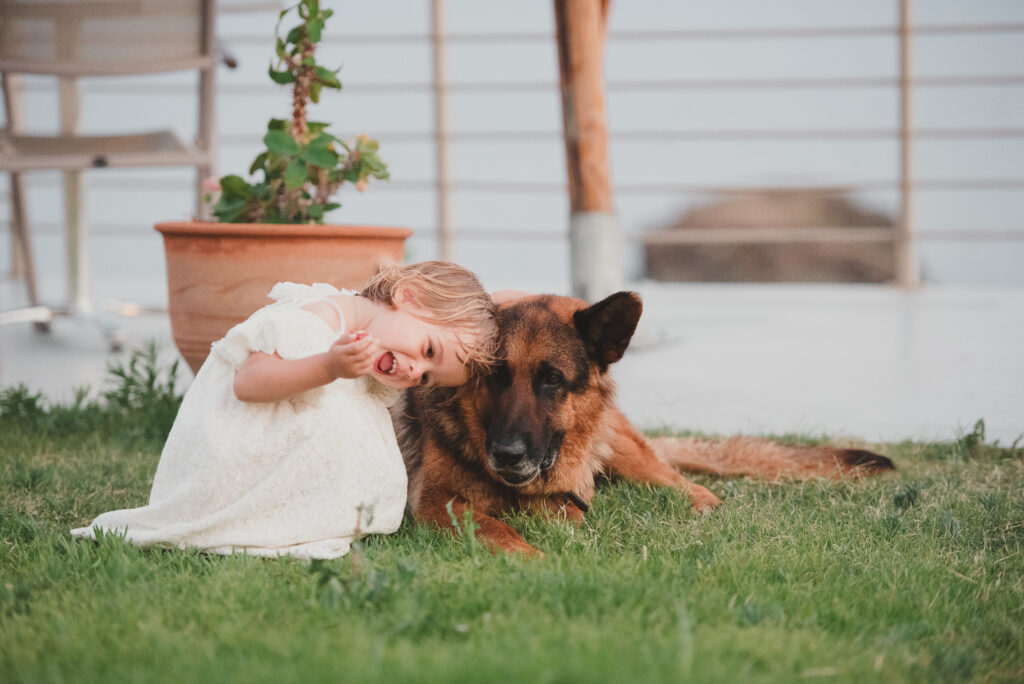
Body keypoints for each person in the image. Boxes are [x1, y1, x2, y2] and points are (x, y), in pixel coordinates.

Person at [71, 261, 497, 559]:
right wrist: (328, 367)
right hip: (241, 456)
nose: (413, 370)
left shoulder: (370, 338)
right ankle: (264, 515)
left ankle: (309, 513)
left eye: (425, 377)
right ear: (408, 296)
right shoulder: (312, 320)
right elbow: (249, 382)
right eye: (426, 351)